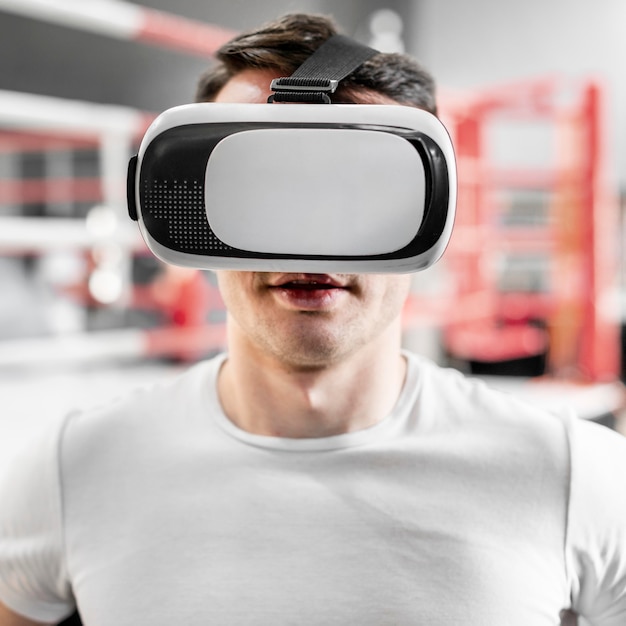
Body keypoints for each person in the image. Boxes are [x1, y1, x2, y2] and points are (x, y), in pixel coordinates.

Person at [1, 12, 625, 626]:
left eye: (358, 189)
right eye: (258, 188)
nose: (305, 248)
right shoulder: (71, 471)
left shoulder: (576, 477)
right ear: (197, 212)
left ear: (434, 208)